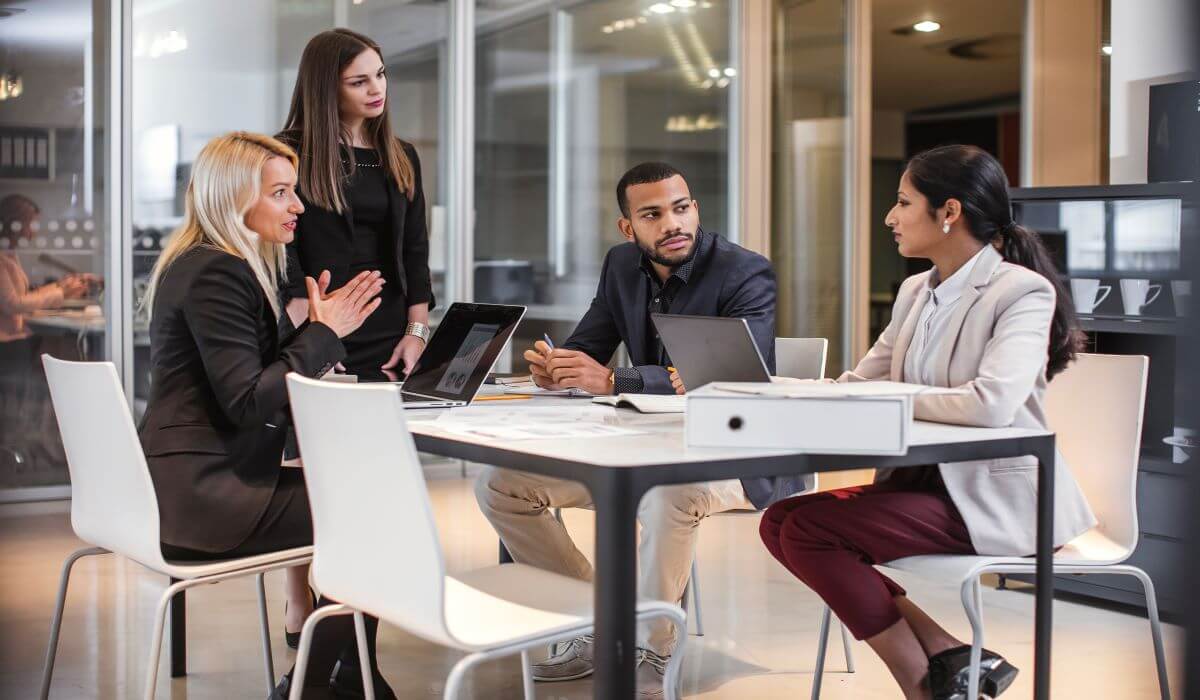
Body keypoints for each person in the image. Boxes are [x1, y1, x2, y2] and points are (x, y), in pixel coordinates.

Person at [758, 145, 1097, 700]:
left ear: (949, 212)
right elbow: (863, 383)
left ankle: (921, 685)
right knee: (779, 520)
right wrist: (777, 387)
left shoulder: (1021, 291)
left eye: (902, 201)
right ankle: (946, 655)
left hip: (997, 499)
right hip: (928, 484)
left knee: (812, 531)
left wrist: (890, 395)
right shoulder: (918, 289)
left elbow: (991, 403)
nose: (890, 217)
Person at [475, 162, 802, 698]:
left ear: (695, 208)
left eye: (681, 207)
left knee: (668, 493)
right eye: (653, 214)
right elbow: (589, 345)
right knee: (498, 483)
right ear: (628, 227)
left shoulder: (745, 272)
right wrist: (558, 367)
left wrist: (613, 378)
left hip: (742, 457)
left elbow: (728, 375)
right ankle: (594, 624)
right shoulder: (621, 266)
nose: (673, 222)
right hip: (639, 449)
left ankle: (652, 646)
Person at [136, 131, 390, 699]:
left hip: (185, 484)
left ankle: (344, 679)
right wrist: (324, 335)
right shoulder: (218, 272)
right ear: (233, 199)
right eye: (280, 193)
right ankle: (317, 685)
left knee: (363, 502)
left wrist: (312, 334)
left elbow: (252, 373)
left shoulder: (204, 264)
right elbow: (248, 398)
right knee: (373, 516)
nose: (298, 206)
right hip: (205, 497)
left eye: (293, 192)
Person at [274, 27, 436, 648]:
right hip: (317, 329)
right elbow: (281, 250)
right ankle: (299, 597)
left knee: (370, 477)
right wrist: (313, 336)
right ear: (325, 86)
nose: (378, 89)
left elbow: (415, 251)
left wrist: (416, 328)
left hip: (388, 334)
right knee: (310, 468)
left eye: (382, 74)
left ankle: (353, 602)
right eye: (359, 79)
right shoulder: (287, 153)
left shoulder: (400, 154)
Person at [0, 194, 92, 343]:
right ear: (15, 224)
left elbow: (23, 296)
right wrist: (61, 292)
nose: (34, 232)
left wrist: (60, 286)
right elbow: (12, 304)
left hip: (15, 336)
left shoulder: (9, 254)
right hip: (6, 342)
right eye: (31, 224)